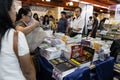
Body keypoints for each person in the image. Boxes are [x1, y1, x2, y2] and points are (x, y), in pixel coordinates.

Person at [0, 0, 36, 80]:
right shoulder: (16, 34)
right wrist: (35, 24)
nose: (15, 12)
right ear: (6, 11)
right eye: (13, 8)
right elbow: (28, 71)